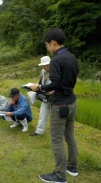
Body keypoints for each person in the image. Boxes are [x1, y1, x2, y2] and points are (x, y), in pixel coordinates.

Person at [30, 28, 78, 183]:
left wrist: (39, 88)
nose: (47, 48)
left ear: (53, 42)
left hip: (59, 104)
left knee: (56, 139)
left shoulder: (56, 60)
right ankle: (72, 167)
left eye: (47, 45)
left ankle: (59, 175)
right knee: (69, 135)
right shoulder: (72, 57)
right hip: (72, 101)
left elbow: (55, 83)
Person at [29, 56, 52, 136]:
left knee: (56, 117)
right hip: (45, 95)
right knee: (42, 114)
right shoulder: (43, 71)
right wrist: (35, 86)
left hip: (55, 96)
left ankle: (57, 134)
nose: (45, 67)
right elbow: (39, 80)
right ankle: (39, 131)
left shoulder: (56, 70)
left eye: (47, 65)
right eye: (43, 65)